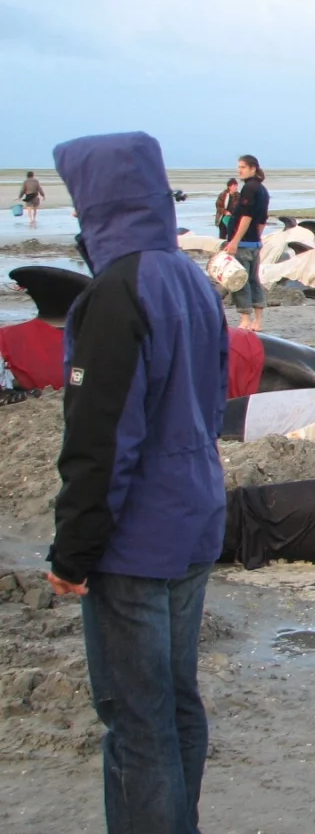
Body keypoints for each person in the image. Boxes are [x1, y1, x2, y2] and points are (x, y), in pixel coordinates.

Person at [45, 130, 228, 834]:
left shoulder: (116, 293)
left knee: (135, 718)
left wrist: (73, 550)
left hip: (136, 540)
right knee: (177, 699)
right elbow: (211, 404)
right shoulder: (190, 277)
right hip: (195, 515)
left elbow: (101, 438)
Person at [222, 154, 270, 331]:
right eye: (239, 167)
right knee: (253, 280)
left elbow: (246, 216)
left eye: (242, 167)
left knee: (239, 281)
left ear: (253, 168)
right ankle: (258, 321)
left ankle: (245, 320)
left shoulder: (249, 188)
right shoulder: (263, 189)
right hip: (254, 243)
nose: (239, 170)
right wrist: (256, 238)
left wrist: (235, 241)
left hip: (243, 244)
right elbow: (263, 219)